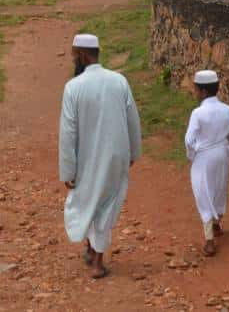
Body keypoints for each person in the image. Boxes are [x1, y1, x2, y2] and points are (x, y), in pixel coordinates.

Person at [60, 33, 142, 280]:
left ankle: (97, 261)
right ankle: (92, 249)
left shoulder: (73, 87)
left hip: (86, 157)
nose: (74, 60)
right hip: (116, 155)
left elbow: (68, 132)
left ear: (83, 56)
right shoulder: (119, 81)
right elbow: (133, 121)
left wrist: (67, 170)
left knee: (89, 200)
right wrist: (133, 152)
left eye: (75, 56)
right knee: (104, 202)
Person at [185, 70, 229, 257]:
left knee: (204, 193)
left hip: (204, 156)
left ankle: (209, 241)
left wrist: (192, 156)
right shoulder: (227, 110)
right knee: (218, 189)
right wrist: (228, 153)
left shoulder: (198, 113)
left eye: (195, 89)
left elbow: (189, 140)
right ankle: (217, 225)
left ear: (203, 91)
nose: (194, 92)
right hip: (222, 154)